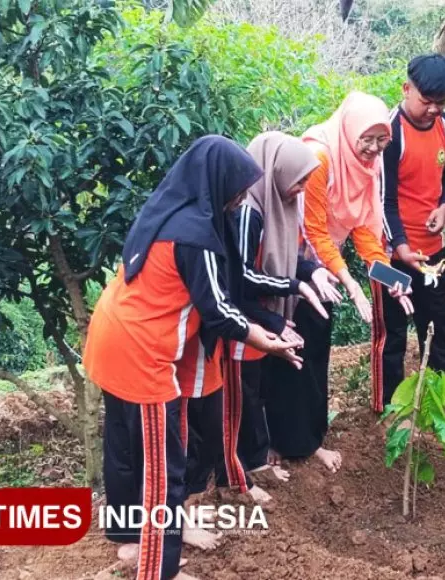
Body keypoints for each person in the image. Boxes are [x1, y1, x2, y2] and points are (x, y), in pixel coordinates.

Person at [83, 135, 304, 580]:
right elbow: (217, 309)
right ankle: (158, 570)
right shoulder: (196, 235)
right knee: (163, 468)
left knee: (126, 454)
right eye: (239, 189)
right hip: (140, 353)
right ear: (218, 183)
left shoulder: (171, 211)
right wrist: (265, 337)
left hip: (113, 337)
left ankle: (133, 542)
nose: (243, 199)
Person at [264, 92, 413, 473]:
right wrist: (351, 284)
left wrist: (389, 278)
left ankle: (309, 441)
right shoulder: (321, 156)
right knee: (283, 354)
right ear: (349, 132)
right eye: (368, 139)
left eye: (383, 141)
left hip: (324, 271)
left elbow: (364, 229)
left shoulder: (367, 168)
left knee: (315, 353)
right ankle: (274, 445)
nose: (374, 149)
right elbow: (313, 230)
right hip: (289, 264)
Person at [231, 131, 341, 499]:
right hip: (247, 313)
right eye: (299, 180)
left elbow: (287, 255)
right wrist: (291, 288)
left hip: (268, 308)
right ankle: (255, 462)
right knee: (248, 386)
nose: (302, 189)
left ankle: (278, 447)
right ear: (275, 171)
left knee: (270, 379)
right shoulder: (250, 210)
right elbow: (241, 275)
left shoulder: (282, 202)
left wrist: (311, 271)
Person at [380, 53, 445, 422]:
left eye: (441, 103)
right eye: (426, 101)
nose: (433, 109)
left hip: (433, 254)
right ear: (407, 89)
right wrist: (401, 246)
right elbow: (384, 199)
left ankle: (443, 400)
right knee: (392, 334)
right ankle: (392, 407)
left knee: (437, 328)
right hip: (390, 258)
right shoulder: (390, 132)